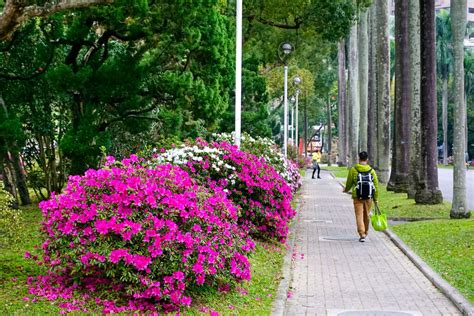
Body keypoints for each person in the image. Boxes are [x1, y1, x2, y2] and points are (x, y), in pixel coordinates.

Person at [343, 151, 379, 242]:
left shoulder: (354, 169)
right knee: (366, 215)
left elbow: (349, 182)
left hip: (357, 196)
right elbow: (376, 185)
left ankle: (361, 233)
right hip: (369, 196)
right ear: (367, 159)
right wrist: (376, 198)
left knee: (359, 215)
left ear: (359, 159)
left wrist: (346, 190)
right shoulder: (371, 171)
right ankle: (366, 232)